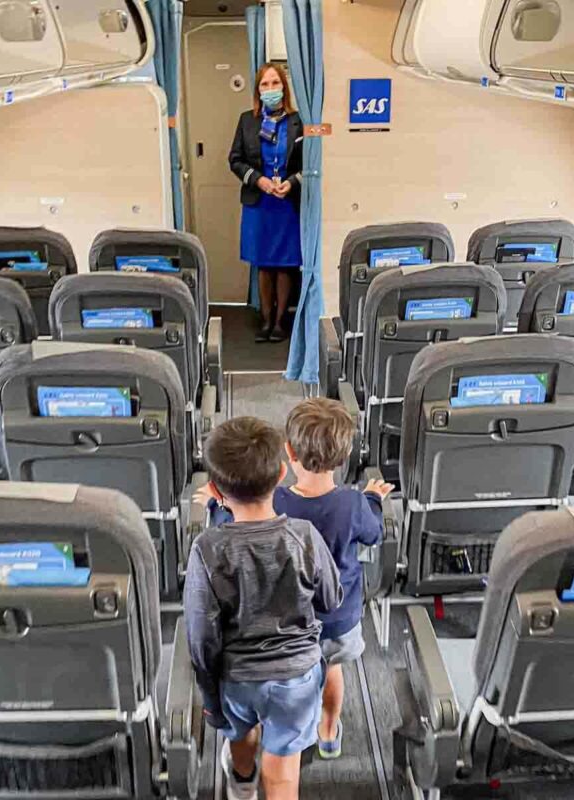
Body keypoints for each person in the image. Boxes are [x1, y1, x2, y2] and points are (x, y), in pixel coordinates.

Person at [197, 398, 394, 760]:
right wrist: (373, 501)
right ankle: (329, 731)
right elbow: (374, 533)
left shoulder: (278, 502)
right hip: (338, 619)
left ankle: (257, 733)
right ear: (346, 454)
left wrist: (217, 503)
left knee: (280, 681)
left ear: (288, 453)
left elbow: (239, 527)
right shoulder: (353, 504)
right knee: (332, 671)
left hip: (285, 622)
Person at [184, 416, 342, 800]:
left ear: (215, 489)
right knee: (284, 768)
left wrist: (210, 701)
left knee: (240, 738)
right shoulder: (304, 537)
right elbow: (331, 599)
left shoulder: (207, 550)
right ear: (282, 474)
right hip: (297, 678)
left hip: (236, 679)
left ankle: (242, 783)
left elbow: (201, 639)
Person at [229, 62, 304, 343]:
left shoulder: (298, 121)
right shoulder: (247, 120)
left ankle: (280, 321)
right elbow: (235, 160)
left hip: (286, 202)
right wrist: (258, 180)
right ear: (258, 90)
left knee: (284, 264)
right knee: (263, 263)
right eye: (264, 84)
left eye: (275, 83)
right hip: (259, 201)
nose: (270, 89)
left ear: (283, 87)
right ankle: (265, 319)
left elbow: (310, 163)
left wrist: (292, 182)